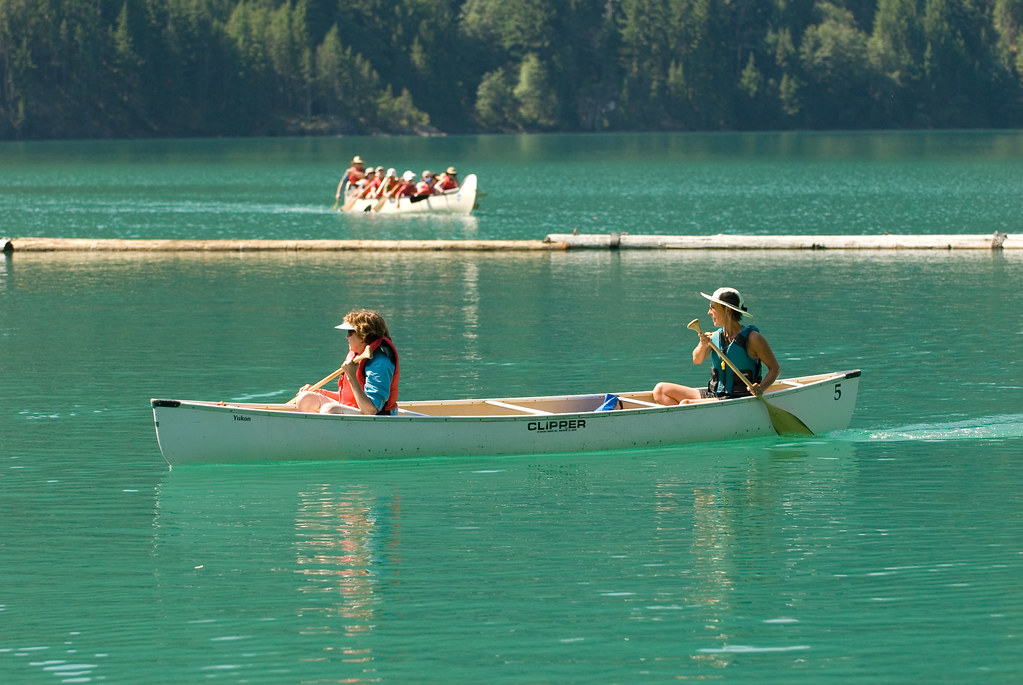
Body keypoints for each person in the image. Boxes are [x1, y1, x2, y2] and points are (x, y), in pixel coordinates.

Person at [652, 287, 781, 405]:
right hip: (715, 395)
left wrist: (761, 387)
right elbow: (697, 360)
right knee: (660, 390)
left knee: (686, 404)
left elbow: (775, 369)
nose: (709, 312)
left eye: (713, 308)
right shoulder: (714, 337)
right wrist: (703, 344)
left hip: (738, 398)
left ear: (727, 310)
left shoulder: (753, 339)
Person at [295, 309, 400, 415]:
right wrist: (318, 391)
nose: (347, 337)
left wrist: (352, 377)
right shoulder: (358, 353)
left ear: (362, 337)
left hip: (377, 417)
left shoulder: (380, 362)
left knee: (330, 410)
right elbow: (348, 398)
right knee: (305, 398)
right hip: (358, 409)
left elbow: (371, 410)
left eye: (350, 333)